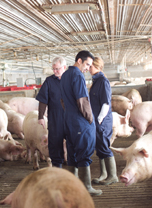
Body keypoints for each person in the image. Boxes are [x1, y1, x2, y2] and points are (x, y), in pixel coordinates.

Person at [60, 50, 102, 196]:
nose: (87, 68)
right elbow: (82, 100)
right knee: (84, 153)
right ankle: (87, 188)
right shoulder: (77, 75)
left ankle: (72, 188)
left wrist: (69, 114)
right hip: (80, 122)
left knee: (72, 154)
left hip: (69, 120)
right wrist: (90, 119)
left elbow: (63, 100)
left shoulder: (64, 75)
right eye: (87, 64)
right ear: (79, 61)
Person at [89, 57, 118, 185]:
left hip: (102, 120)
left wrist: (100, 119)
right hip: (96, 120)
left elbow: (106, 103)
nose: (88, 68)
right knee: (99, 146)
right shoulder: (96, 81)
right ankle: (104, 174)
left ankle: (113, 176)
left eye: (90, 66)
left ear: (97, 66)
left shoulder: (103, 81)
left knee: (105, 147)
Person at [36, 57, 67, 168]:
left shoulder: (71, 79)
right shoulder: (49, 81)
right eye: (53, 69)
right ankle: (57, 167)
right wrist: (40, 117)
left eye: (57, 69)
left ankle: (74, 169)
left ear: (64, 67)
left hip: (70, 118)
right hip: (55, 118)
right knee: (55, 144)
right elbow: (43, 100)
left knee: (73, 143)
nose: (55, 71)